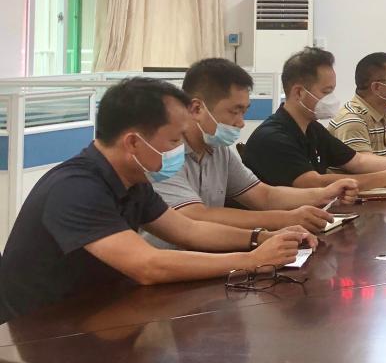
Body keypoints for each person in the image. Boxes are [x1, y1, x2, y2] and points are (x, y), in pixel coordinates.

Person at [0, 78, 312, 325]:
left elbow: (189, 230)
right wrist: (251, 261)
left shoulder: (134, 181)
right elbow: (148, 265)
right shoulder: (76, 189)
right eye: (174, 140)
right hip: (38, 339)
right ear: (133, 142)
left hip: (97, 318)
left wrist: (263, 239)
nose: (179, 149)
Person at [152, 58, 359, 239]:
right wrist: (284, 219)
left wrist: (324, 194)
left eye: (244, 112)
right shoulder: (163, 153)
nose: (241, 123)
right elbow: (195, 215)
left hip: (208, 253)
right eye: (235, 111)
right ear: (197, 108)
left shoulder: (218, 150)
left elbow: (264, 195)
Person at [243, 47, 386, 189]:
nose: (332, 99)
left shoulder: (312, 128)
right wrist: (382, 178)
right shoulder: (273, 137)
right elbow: (312, 183)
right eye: (326, 92)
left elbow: (357, 161)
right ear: (299, 92)